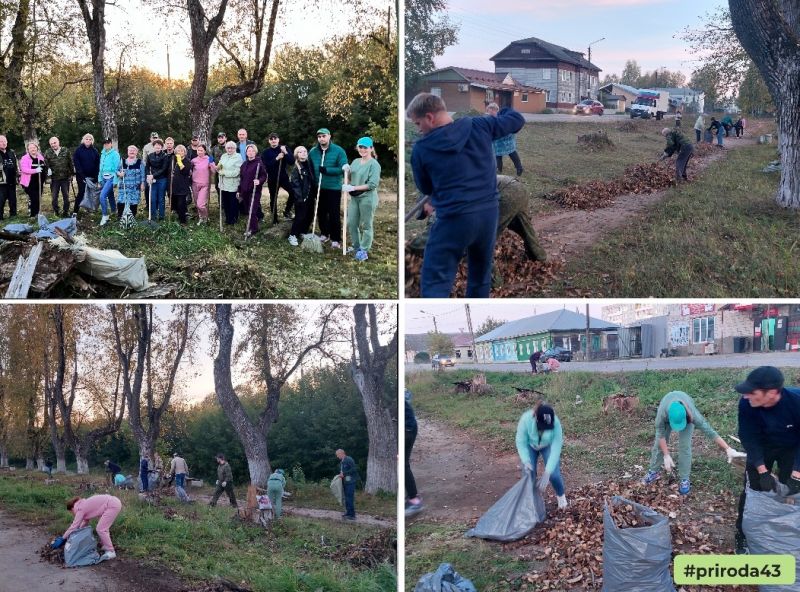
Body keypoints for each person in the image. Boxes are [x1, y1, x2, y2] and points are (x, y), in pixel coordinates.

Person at [407, 92, 524, 297]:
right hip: (488, 215)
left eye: (418, 123)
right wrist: (503, 110)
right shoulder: (478, 125)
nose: (418, 129)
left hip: (454, 220)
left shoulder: (422, 148)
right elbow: (516, 120)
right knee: (480, 276)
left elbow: (426, 188)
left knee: (436, 280)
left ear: (429, 117)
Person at [409, 175, 547, 289]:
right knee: (522, 226)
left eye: (425, 211)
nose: (427, 214)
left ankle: (494, 283)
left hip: (504, 194)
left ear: (427, 201)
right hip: (517, 188)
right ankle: (539, 257)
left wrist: (412, 246)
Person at [734, 367, 800, 554]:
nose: (746, 396)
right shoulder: (746, 404)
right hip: (762, 447)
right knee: (752, 489)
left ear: (771, 393)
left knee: (792, 491)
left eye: (752, 392)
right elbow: (748, 436)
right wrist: (762, 471)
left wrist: (797, 474)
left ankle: (786, 533)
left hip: (792, 447)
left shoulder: (796, 402)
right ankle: (742, 535)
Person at [642, 390, 743, 495]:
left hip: (687, 414)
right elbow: (660, 435)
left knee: (684, 446)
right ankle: (653, 471)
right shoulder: (662, 414)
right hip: (667, 412)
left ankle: (684, 479)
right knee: (659, 445)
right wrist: (666, 455)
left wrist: (728, 449)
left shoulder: (692, 414)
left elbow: (709, 431)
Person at [516, 403, 567, 509]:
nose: (544, 430)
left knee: (554, 475)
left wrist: (548, 471)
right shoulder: (526, 420)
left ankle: (561, 498)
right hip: (530, 445)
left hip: (547, 445)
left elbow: (556, 448)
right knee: (529, 474)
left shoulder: (555, 423)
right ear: (535, 419)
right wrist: (526, 460)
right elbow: (521, 442)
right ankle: (532, 502)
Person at [342, 136, 381, 262]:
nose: (362, 149)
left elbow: (372, 184)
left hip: (367, 199)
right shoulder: (355, 161)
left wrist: (353, 188)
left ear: (371, 148)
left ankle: (364, 250)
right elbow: (350, 178)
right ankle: (356, 246)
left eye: (365, 147)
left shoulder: (374, 164)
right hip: (355, 198)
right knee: (351, 223)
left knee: (366, 225)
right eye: (360, 147)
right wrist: (346, 172)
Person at [51, 494, 122, 562]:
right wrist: (76, 533)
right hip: (113, 502)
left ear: (72, 508)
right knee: (103, 528)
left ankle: (111, 551)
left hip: (112, 505)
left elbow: (74, 526)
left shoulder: (80, 509)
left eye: (71, 512)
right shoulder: (82, 504)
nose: (72, 514)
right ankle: (105, 546)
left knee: (101, 529)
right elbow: (84, 522)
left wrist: (63, 538)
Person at [309, 128, 348, 249]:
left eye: (324, 136)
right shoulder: (313, 152)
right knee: (321, 212)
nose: (321, 138)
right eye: (319, 136)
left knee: (333, 213)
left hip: (333, 188)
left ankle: (336, 238)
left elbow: (343, 168)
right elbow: (309, 167)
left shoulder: (338, 151)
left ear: (329, 136)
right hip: (318, 187)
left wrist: (327, 170)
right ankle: (324, 233)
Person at [261, 133, 295, 223]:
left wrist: (286, 152)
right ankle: (274, 218)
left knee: (293, 192)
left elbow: (292, 162)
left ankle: (287, 211)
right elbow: (266, 166)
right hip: (272, 178)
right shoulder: (266, 152)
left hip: (283, 177)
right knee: (273, 198)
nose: (273, 140)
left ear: (278, 140)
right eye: (271, 139)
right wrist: (277, 158)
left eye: (275, 138)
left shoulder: (284, 148)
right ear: (269, 141)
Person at [486, 102, 524, 176]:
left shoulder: (502, 117)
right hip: (497, 143)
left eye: (492, 111)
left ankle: (519, 168)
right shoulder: (489, 118)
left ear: (496, 110)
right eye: (489, 111)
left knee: (512, 153)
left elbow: (510, 126)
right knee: (498, 156)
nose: (490, 113)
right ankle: (499, 170)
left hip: (507, 141)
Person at [288, 145, 315, 246]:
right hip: (301, 197)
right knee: (300, 216)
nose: (303, 153)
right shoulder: (297, 168)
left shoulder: (309, 165)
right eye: (300, 152)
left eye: (305, 151)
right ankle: (292, 235)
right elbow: (295, 185)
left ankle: (302, 232)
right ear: (297, 155)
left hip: (310, 196)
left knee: (309, 215)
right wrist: (300, 199)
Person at [238, 144, 267, 237]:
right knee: (248, 209)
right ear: (246, 153)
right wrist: (239, 191)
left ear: (255, 152)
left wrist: (259, 181)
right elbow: (241, 178)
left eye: (252, 151)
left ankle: (253, 229)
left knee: (252, 210)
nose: (250, 152)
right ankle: (255, 222)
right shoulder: (244, 164)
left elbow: (264, 175)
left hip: (254, 191)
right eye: (248, 151)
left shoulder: (259, 163)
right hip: (244, 191)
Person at [43, 136, 74, 216]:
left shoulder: (66, 150)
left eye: (54, 143)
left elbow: (70, 163)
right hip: (54, 179)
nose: (53, 145)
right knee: (54, 197)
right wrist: (47, 174)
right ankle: (56, 211)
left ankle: (65, 211)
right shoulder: (48, 152)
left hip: (65, 178)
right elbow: (45, 165)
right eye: (51, 144)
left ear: (58, 142)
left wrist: (72, 174)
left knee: (66, 196)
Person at [405, 390, 423, 516]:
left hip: (407, 430)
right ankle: (412, 497)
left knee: (402, 465)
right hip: (408, 428)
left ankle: (414, 500)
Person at [217, 141, 242, 225]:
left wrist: (224, 173)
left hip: (233, 184)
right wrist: (218, 167)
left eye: (232, 148)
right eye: (228, 148)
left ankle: (233, 219)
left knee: (233, 203)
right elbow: (220, 165)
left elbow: (237, 172)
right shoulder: (224, 156)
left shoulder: (238, 157)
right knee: (226, 202)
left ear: (235, 149)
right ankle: (228, 219)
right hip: (223, 184)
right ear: (226, 148)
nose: (230, 149)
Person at [73, 134, 100, 214]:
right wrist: (82, 176)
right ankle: (75, 212)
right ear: (83, 140)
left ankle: (90, 209)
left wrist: (96, 177)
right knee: (81, 192)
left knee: (91, 194)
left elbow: (97, 165)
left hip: (92, 177)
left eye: (90, 139)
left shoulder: (95, 151)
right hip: (81, 176)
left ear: (92, 141)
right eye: (86, 139)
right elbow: (77, 164)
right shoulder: (78, 150)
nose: (88, 140)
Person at [117, 145, 145, 219]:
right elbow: (116, 170)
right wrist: (119, 174)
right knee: (121, 200)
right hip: (124, 186)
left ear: (136, 152)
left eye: (134, 150)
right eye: (130, 150)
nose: (132, 151)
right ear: (127, 152)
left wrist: (142, 183)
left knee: (134, 201)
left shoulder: (140, 162)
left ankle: (132, 218)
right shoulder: (122, 161)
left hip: (135, 187)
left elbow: (143, 174)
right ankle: (120, 217)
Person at [19, 142, 46, 218]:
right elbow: (24, 169)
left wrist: (47, 170)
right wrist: (35, 170)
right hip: (29, 183)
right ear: (28, 150)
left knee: (38, 198)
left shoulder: (40, 157)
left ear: (37, 148)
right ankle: (32, 215)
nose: (33, 149)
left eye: (34, 147)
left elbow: (43, 166)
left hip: (39, 182)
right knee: (34, 198)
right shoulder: (25, 158)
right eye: (30, 148)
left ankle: (37, 213)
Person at [97, 138, 120, 226]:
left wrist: (115, 181)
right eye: (104, 143)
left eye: (108, 143)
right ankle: (114, 211)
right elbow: (101, 167)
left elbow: (117, 168)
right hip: (103, 178)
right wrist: (99, 179)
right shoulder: (103, 153)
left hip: (111, 178)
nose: (106, 145)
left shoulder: (115, 154)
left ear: (111, 144)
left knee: (102, 196)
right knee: (110, 195)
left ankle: (105, 215)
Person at [190, 144, 215, 225]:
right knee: (197, 204)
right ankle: (201, 218)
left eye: (201, 150)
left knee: (201, 204)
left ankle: (205, 217)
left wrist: (211, 163)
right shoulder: (193, 160)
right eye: (198, 150)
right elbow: (190, 171)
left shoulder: (209, 159)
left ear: (205, 151)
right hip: (194, 184)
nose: (200, 152)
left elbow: (214, 171)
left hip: (204, 184)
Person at [145, 139, 169, 221]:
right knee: (152, 198)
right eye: (156, 146)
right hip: (152, 180)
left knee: (161, 198)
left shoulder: (165, 156)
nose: (157, 147)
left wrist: (153, 175)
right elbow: (147, 167)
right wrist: (148, 175)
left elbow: (164, 169)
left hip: (162, 179)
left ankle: (161, 217)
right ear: (153, 147)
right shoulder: (150, 155)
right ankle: (153, 217)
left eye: (159, 146)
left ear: (162, 147)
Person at [170, 145, 192, 224]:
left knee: (181, 204)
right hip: (175, 186)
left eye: (182, 151)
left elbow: (185, 172)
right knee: (175, 204)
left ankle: (183, 221)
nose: (180, 152)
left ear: (184, 152)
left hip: (183, 186)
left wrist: (179, 162)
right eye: (178, 151)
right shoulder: (174, 161)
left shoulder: (187, 161)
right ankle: (179, 218)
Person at [336, 448, 359, 520]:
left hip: (351, 482)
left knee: (350, 498)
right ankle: (348, 513)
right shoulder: (341, 462)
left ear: (341, 453)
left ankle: (352, 515)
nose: (337, 456)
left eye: (337, 455)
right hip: (345, 483)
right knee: (346, 498)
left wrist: (344, 474)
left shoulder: (349, 459)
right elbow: (343, 472)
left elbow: (354, 469)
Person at [0, 135, 19, 219]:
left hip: (12, 180)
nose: (4, 143)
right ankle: (0, 216)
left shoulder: (11, 152)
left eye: (5, 141)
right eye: (1, 141)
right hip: (1, 181)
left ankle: (13, 214)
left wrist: (18, 175)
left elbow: (16, 165)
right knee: (1, 200)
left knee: (12, 199)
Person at [211, 132, 227, 197]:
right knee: (217, 186)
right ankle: (221, 204)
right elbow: (210, 158)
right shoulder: (215, 148)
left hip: (226, 171)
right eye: (219, 138)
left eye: (222, 138)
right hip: (217, 170)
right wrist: (212, 165)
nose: (220, 139)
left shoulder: (229, 147)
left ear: (225, 138)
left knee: (226, 187)